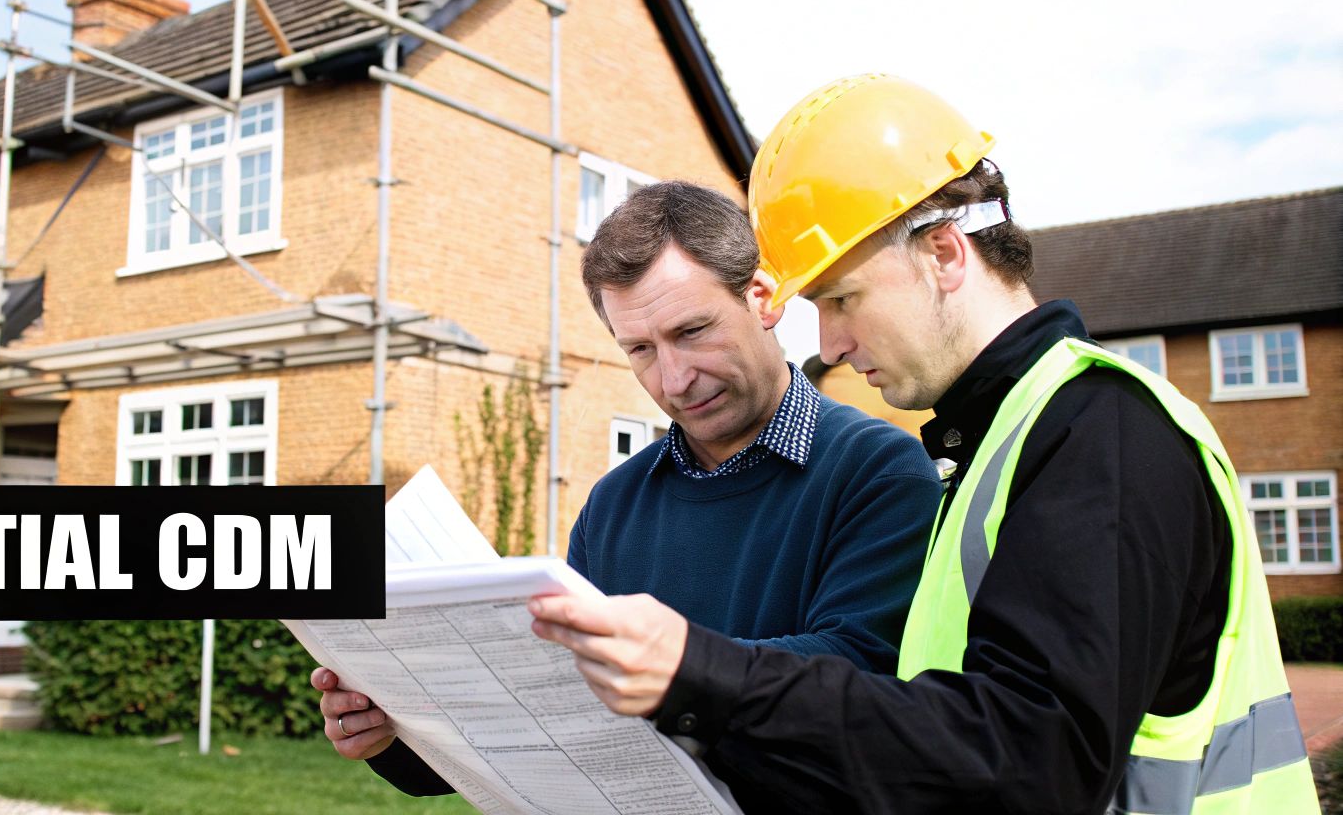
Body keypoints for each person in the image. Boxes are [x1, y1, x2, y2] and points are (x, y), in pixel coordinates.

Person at [527, 74, 1319, 813]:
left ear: (943, 252)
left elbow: (1036, 757)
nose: (829, 343)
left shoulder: (1100, 432)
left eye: (841, 298)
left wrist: (698, 672)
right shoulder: (997, 446)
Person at [314, 180, 943, 796]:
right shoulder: (614, 505)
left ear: (762, 296)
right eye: (639, 349)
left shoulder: (878, 470)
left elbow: (864, 672)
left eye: (691, 331)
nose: (674, 379)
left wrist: (675, 669)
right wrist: (397, 733)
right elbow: (549, 715)